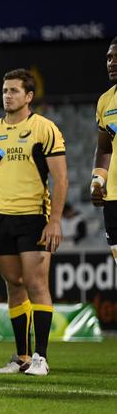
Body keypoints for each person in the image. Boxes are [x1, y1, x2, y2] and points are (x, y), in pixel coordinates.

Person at [0, 69, 67, 377]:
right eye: (5, 90)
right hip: (0, 218)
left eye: (14, 90)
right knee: (14, 285)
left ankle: (41, 357)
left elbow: (61, 178)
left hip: (33, 217)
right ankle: (23, 357)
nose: (8, 95)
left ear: (29, 96)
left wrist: (54, 221)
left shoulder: (44, 129)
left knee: (37, 283)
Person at [91, 37, 117, 265]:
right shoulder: (105, 101)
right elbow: (104, 147)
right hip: (113, 199)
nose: (112, 62)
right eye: (109, 57)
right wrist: (97, 182)